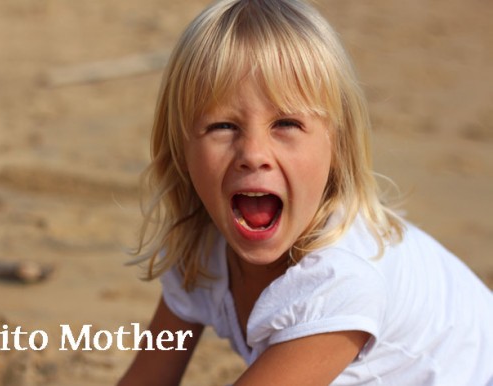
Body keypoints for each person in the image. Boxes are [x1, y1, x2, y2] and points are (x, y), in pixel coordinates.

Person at [118, 0, 493, 384]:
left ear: (338, 144)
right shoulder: (198, 249)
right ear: (181, 149)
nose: (253, 155)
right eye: (223, 126)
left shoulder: (341, 276)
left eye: (285, 123)